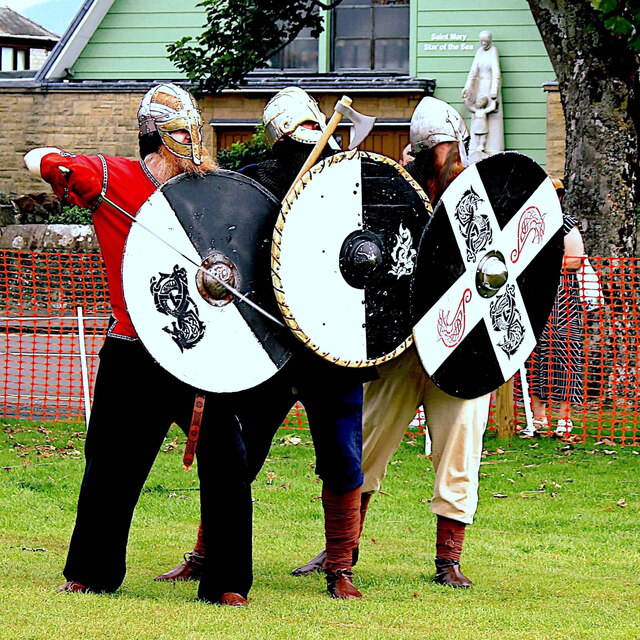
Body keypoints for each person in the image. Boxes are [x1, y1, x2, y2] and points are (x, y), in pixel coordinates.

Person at [24, 83, 254, 607]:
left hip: (200, 352)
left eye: (195, 133)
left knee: (227, 463)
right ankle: (92, 571)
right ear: (154, 136)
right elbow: (39, 160)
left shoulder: (213, 193)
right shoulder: (115, 179)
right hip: (132, 349)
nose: (191, 145)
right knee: (110, 464)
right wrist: (54, 163)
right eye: (179, 134)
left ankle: (225, 582)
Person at [156, 86, 369, 600]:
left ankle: (340, 565)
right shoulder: (250, 184)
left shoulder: (348, 180)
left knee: (340, 456)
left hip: (332, 344)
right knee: (237, 456)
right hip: (267, 343)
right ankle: (210, 553)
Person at [292, 97, 492, 589]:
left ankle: (449, 560)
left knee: (459, 450)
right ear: (423, 152)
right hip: (400, 347)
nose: (446, 158)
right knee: (366, 445)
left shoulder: (480, 195)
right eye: (437, 150)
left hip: (462, 344)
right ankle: (342, 548)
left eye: (448, 147)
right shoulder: (390, 192)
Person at [521, 178, 586, 438]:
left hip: (563, 303)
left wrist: (543, 263)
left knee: (564, 357)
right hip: (534, 299)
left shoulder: (567, 224)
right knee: (534, 357)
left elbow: (574, 261)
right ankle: (538, 417)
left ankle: (564, 419)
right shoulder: (528, 221)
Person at [462, 30, 504, 160]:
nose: (483, 43)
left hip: (490, 87)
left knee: (492, 117)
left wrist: (494, 90)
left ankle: (491, 146)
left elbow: (496, 73)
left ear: (490, 40)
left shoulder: (493, 51)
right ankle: (477, 146)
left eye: (486, 41)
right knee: (478, 115)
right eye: (481, 41)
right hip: (480, 88)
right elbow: (473, 72)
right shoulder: (479, 52)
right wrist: (467, 88)